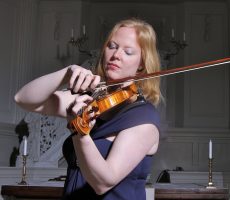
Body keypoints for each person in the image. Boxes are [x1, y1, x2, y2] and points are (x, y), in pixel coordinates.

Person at [14, 18, 161, 200]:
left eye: (128, 52)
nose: (116, 55)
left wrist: (79, 131)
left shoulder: (143, 118)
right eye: (112, 46)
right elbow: (24, 99)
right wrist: (66, 73)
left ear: (142, 64)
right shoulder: (91, 100)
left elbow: (103, 182)